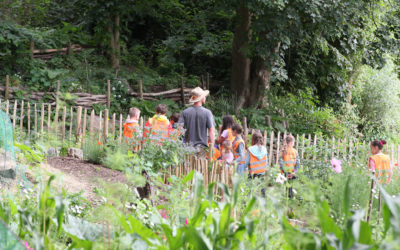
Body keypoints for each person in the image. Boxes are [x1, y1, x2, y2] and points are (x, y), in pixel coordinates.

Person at [178, 87, 215, 157]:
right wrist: (212, 146)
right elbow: (211, 131)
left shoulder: (185, 112)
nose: (205, 98)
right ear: (201, 98)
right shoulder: (207, 113)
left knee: (188, 166)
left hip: (188, 146)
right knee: (200, 166)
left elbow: (179, 128)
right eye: (204, 96)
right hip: (202, 147)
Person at [243, 131, 268, 196]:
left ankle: (246, 203)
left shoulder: (250, 149)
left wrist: (244, 168)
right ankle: (264, 202)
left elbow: (247, 161)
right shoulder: (264, 149)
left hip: (252, 172)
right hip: (262, 171)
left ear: (253, 139)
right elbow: (266, 162)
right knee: (262, 189)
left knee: (248, 188)